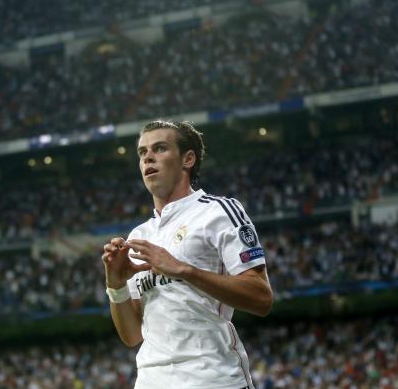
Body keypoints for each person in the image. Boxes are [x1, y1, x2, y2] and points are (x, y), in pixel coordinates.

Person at [102, 120, 273, 389]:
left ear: (188, 159)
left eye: (159, 148)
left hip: (212, 379)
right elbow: (133, 335)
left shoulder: (218, 211)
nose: (148, 156)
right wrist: (116, 284)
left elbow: (261, 297)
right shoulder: (138, 236)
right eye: (142, 152)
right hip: (150, 381)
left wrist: (183, 269)